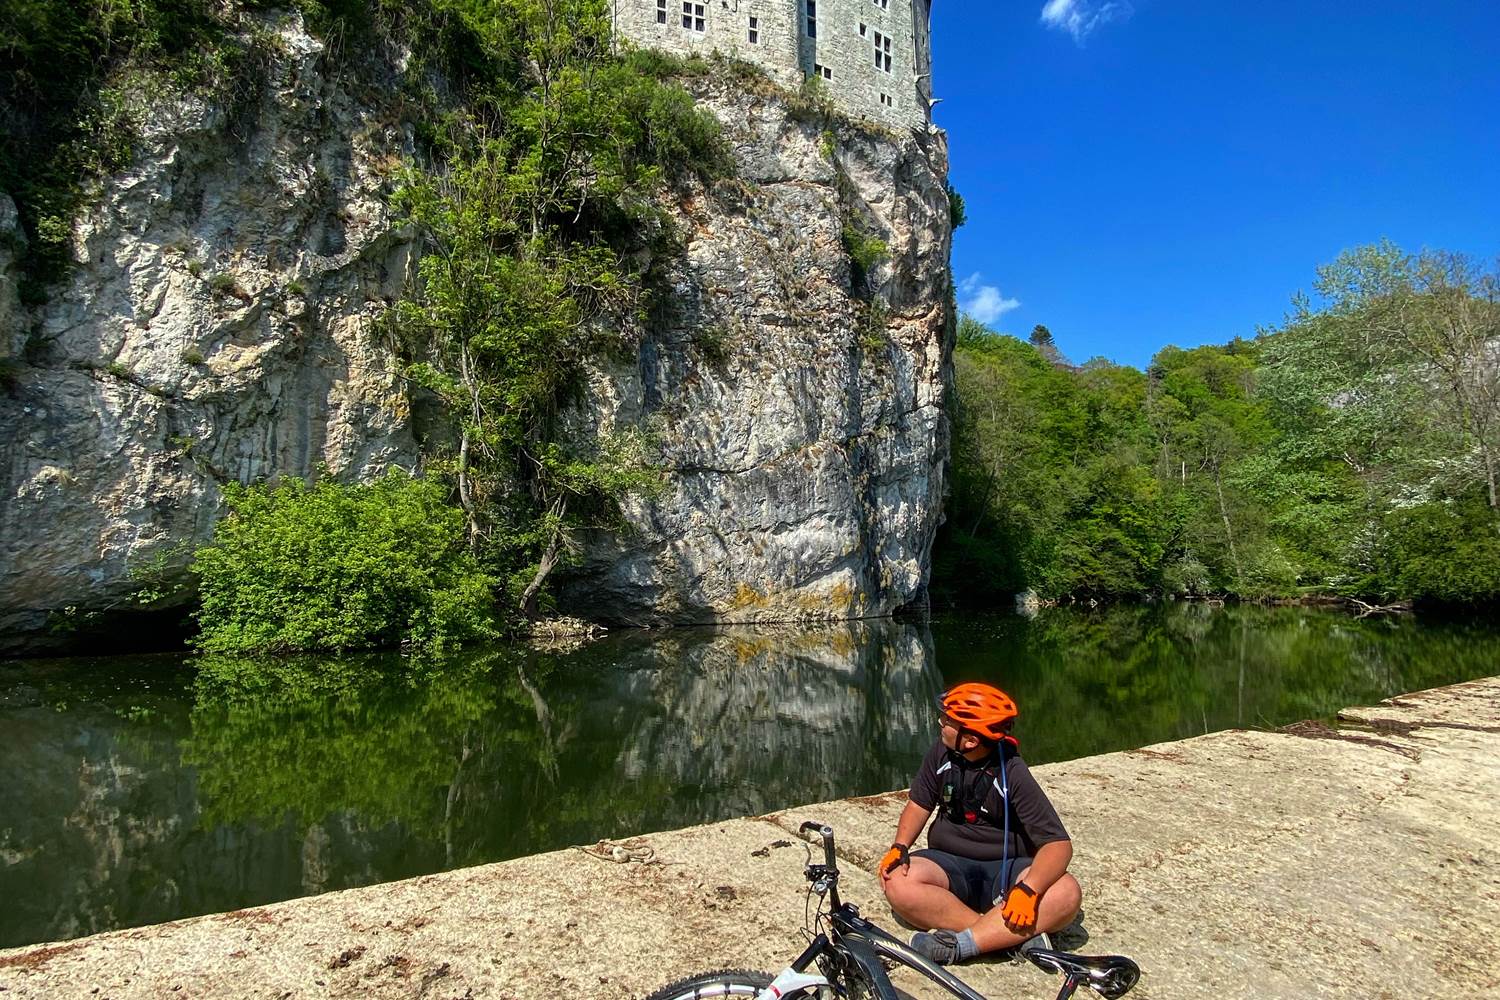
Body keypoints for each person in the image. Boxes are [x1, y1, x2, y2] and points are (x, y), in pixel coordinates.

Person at [878, 682, 1081, 966]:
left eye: (948, 720)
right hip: (949, 865)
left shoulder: (1013, 772)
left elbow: (1057, 844)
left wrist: (1029, 890)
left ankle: (961, 945)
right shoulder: (941, 753)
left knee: (1066, 894)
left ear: (971, 740)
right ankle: (1003, 939)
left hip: (1007, 872)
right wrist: (900, 846)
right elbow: (919, 804)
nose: (941, 723)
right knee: (897, 881)